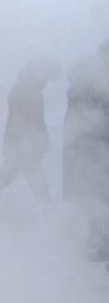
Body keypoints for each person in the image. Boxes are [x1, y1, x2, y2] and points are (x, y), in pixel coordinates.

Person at [0, 55, 60, 204]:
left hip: (21, 145)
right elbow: (27, 120)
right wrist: (32, 146)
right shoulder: (27, 89)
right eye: (46, 76)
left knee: (4, 177)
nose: (46, 81)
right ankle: (51, 217)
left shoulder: (26, 86)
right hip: (25, 147)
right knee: (38, 185)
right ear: (38, 72)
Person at [63, 41, 109, 258]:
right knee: (98, 197)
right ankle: (100, 244)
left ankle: (99, 243)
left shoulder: (89, 89)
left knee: (97, 197)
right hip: (95, 149)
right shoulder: (93, 91)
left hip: (93, 149)